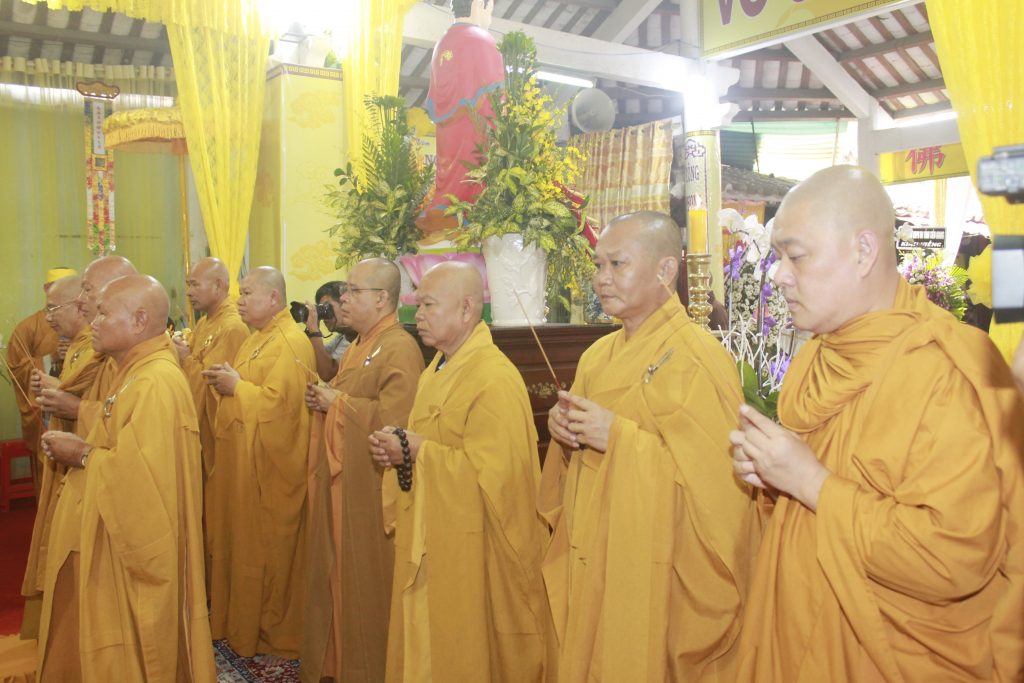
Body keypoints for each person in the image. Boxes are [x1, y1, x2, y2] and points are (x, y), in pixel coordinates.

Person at [731, 165, 1024, 681]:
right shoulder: (818, 357)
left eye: (796, 256)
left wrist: (810, 481)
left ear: (864, 251)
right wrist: (776, 477)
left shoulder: (945, 368)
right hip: (803, 639)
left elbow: (953, 558)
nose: (778, 276)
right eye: (778, 258)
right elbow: (823, 495)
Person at [540, 211, 757, 682]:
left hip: (658, 575)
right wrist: (566, 435)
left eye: (617, 264)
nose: (601, 279)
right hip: (596, 558)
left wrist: (619, 439)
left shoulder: (700, 359)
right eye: (598, 265)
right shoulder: (597, 356)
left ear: (665, 270)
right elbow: (579, 470)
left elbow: (723, 494)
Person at [368, 261, 553, 682]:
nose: (418, 315)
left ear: (467, 309)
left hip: (476, 551)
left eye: (429, 305)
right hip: (433, 536)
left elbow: (500, 482)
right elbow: (427, 440)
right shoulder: (438, 368)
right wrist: (400, 449)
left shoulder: (494, 378)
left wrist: (419, 452)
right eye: (418, 305)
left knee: (465, 650)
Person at [37, 274, 215, 681]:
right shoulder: (133, 369)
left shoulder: (155, 381)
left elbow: (145, 482)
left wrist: (82, 454)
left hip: (132, 543)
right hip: (109, 525)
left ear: (139, 321)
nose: (94, 321)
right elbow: (118, 432)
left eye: (103, 313)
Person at [301, 258, 424, 683]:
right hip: (346, 481)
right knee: (338, 575)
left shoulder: (398, 347)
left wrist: (338, 404)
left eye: (353, 291)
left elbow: (396, 424)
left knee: (367, 582)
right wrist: (329, 398)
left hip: (373, 489)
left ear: (382, 299)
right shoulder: (360, 344)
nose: (344, 299)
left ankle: (370, 669)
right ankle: (340, 662)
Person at [34, 255, 138, 682]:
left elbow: (139, 459)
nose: (82, 304)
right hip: (90, 483)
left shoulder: (152, 375)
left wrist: (80, 439)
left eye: (90, 295)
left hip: (112, 499)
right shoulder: (113, 358)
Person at [205, 266, 315, 662]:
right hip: (243, 466)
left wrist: (237, 387)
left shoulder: (290, 342)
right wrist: (227, 382)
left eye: (248, 292)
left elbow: (282, 411)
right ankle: (241, 625)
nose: (240, 300)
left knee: (270, 554)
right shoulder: (257, 339)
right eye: (240, 292)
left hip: (270, 472)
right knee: (241, 548)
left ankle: (275, 636)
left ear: (274, 298)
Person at [20, 275, 97, 639]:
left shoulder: (100, 350)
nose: (47, 318)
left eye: (53, 309)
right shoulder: (79, 347)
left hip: (87, 467)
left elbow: (116, 417)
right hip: (69, 461)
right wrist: (56, 390)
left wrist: (71, 403)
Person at [416, 0, 504, 241]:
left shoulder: (442, 44)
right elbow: (498, 99)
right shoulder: (482, 40)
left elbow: (435, 102)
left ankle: (442, 211)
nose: (490, 17)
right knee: (473, 180)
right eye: (490, 9)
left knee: (450, 174)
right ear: (478, 4)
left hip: (449, 134)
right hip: (476, 131)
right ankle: (464, 218)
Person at [172, 257, 250, 482]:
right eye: (188, 285)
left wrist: (185, 359)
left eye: (195, 285)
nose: (189, 292)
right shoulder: (205, 322)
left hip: (217, 433)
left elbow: (213, 384)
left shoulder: (232, 327)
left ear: (218, 285)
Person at [5, 268, 70, 483]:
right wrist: (51, 358)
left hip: (76, 412)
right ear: (46, 289)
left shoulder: (88, 326)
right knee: (48, 476)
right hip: (46, 412)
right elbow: (16, 368)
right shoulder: (28, 327)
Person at [303, 280, 354, 382]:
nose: (324, 315)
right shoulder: (343, 336)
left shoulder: (355, 336)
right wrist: (311, 327)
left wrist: (314, 332)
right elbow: (318, 356)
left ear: (344, 303)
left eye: (327, 307)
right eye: (321, 308)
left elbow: (328, 373)